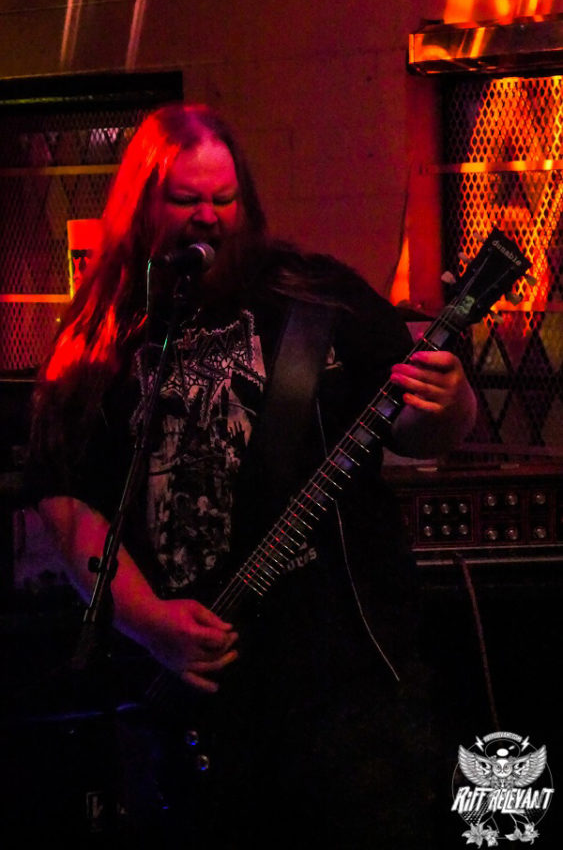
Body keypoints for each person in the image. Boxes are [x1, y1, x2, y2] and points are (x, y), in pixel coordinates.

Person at [25, 103, 476, 848]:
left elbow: (418, 426)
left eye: (223, 198)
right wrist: (146, 619)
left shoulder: (318, 297)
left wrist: (451, 400)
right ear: (142, 204)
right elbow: (67, 493)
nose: (207, 216)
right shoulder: (99, 333)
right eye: (185, 198)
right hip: (193, 698)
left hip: (341, 692)